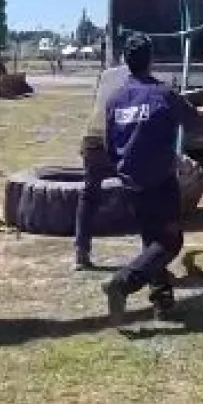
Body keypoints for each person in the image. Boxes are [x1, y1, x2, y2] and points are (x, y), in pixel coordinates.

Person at [102, 32, 203, 324]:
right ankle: (123, 283)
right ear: (150, 59)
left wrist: (124, 170)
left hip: (130, 184)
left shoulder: (115, 100)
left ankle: (162, 301)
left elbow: (109, 144)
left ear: (126, 62)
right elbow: (194, 122)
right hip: (160, 184)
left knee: (152, 241)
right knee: (169, 242)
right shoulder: (163, 94)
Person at [73, 62, 129, 270]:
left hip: (92, 138)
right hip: (116, 139)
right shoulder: (140, 79)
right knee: (143, 193)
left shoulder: (106, 75)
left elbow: (97, 105)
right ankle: (152, 255)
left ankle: (81, 252)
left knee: (89, 194)